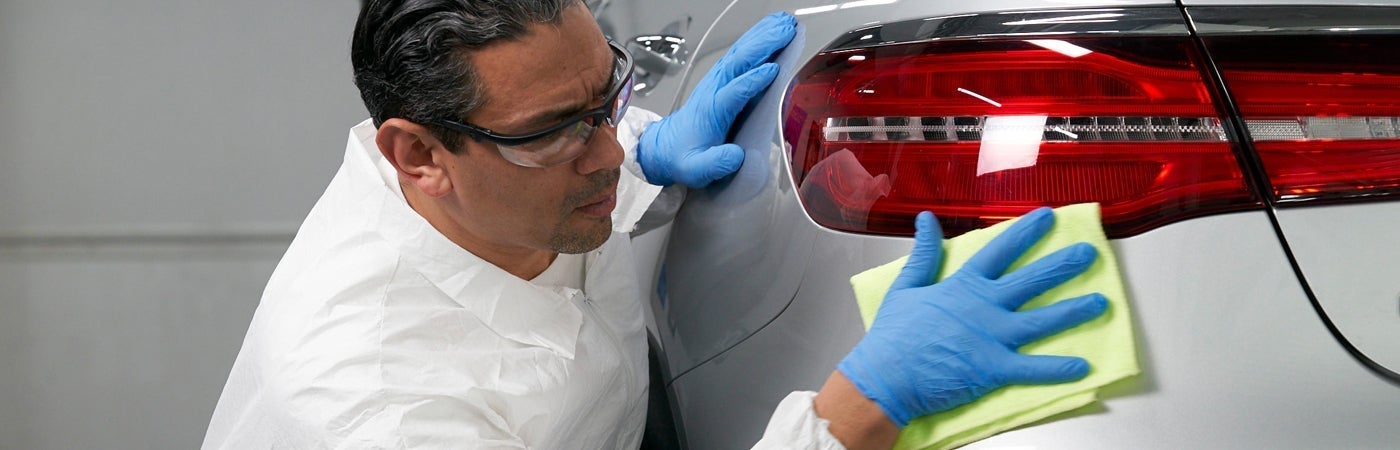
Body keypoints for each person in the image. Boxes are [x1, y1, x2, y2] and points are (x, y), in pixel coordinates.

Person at [204, 1, 1109, 449]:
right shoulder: (375, 408)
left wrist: (647, 155)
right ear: (418, 158)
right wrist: (852, 414)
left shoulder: (493, 179)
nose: (608, 153)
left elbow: (578, 146)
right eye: (559, 131)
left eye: (611, 95)